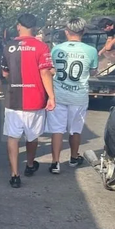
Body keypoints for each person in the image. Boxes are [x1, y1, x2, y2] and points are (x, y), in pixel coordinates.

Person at [1, 13, 55, 188]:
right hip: (35, 98)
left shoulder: (8, 46)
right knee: (32, 135)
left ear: (18, 26)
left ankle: (14, 174)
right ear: (35, 28)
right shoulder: (41, 46)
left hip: (13, 98)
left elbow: (5, 73)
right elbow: (45, 72)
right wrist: (52, 97)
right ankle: (30, 165)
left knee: (13, 136)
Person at [46, 18, 98, 174]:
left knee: (57, 130)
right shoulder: (91, 50)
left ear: (66, 32)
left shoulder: (56, 49)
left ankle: (55, 163)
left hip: (59, 95)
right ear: (83, 32)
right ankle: (74, 157)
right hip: (79, 96)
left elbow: (51, 69)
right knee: (75, 130)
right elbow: (93, 71)